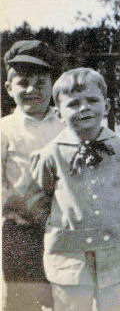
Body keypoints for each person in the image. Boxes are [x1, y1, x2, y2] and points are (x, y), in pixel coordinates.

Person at [29, 68, 120, 311]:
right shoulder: (51, 154)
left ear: (108, 105)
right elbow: (41, 198)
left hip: (115, 251)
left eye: (92, 100)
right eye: (74, 104)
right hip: (69, 256)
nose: (84, 108)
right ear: (59, 113)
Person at [1, 41, 64, 311]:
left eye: (40, 83)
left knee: (63, 293)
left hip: (62, 225)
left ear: (53, 86)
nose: (32, 90)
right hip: (21, 227)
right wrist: (12, 205)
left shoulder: (65, 124)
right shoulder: (5, 129)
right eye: (23, 83)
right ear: (8, 88)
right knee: (22, 299)